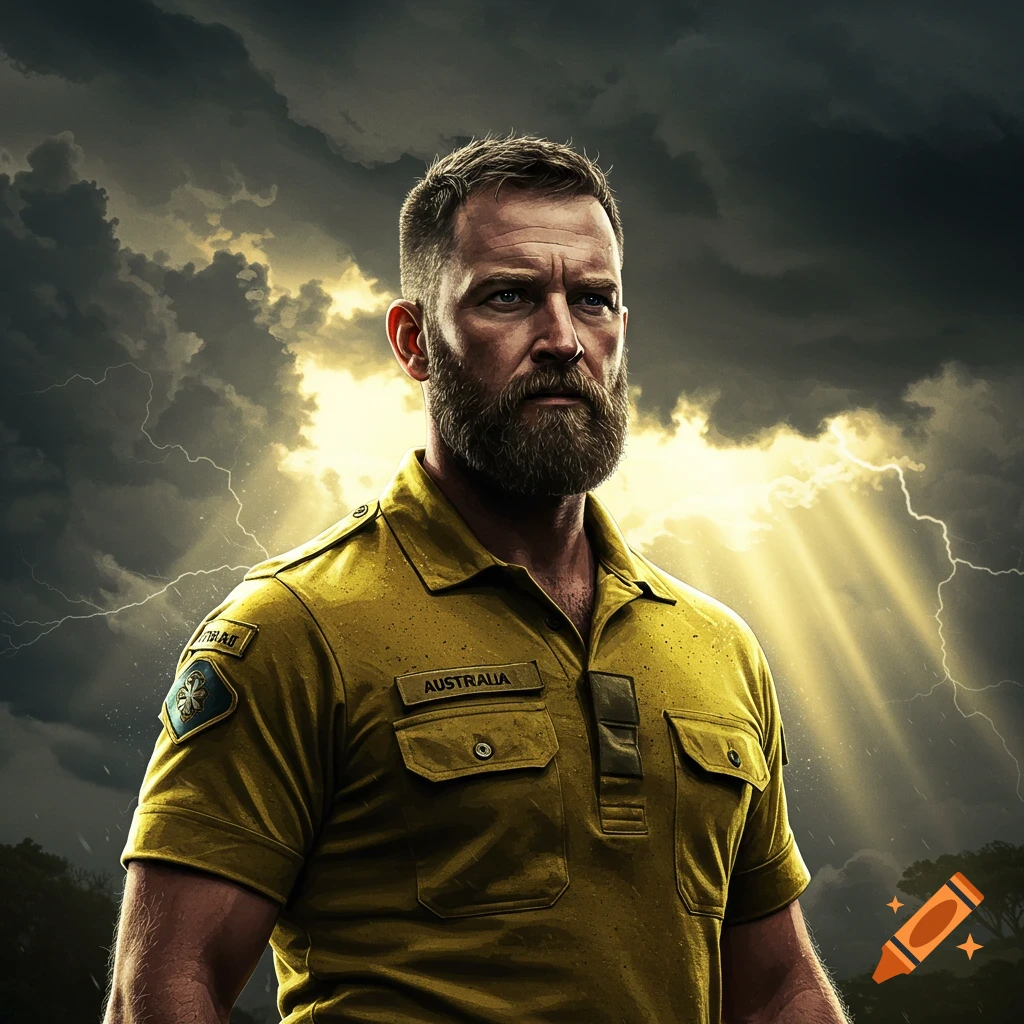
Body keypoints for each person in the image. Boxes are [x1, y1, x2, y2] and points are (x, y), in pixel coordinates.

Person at [105, 135, 850, 1024]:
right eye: (509, 297)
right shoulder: (293, 628)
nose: (564, 340)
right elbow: (163, 986)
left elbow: (777, 991)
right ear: (415, 341)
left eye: (594, 300)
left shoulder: (718, 648)